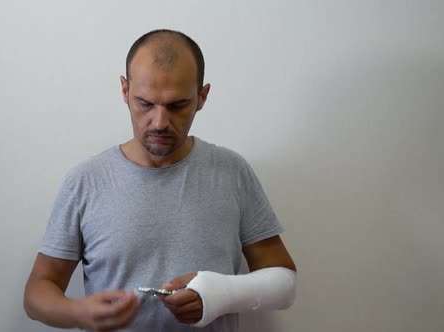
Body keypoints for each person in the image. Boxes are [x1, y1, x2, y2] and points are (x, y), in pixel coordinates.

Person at [23, 29, 297, 331]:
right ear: (125, 91)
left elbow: (283, 281)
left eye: (177, 105)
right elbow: (37, 291)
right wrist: (78, 313)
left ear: (202, 97)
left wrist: (218, 294)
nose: (160, 122)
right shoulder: (85, 180)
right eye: (145, 103)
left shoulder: (231, 172)